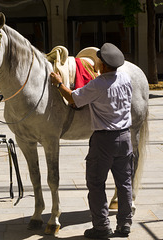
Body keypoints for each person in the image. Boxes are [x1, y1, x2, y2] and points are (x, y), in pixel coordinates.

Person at [50, 43, 133, 239]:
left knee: (96, 184)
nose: (95, 62)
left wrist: (58, 83)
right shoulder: (125, 78)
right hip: (125, 138)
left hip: (104, 141)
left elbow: (73, 99)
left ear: (103, 66)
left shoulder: (98, 84)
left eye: (98, 61)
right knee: (124, 183)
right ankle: (125, 224)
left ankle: (102, 227)